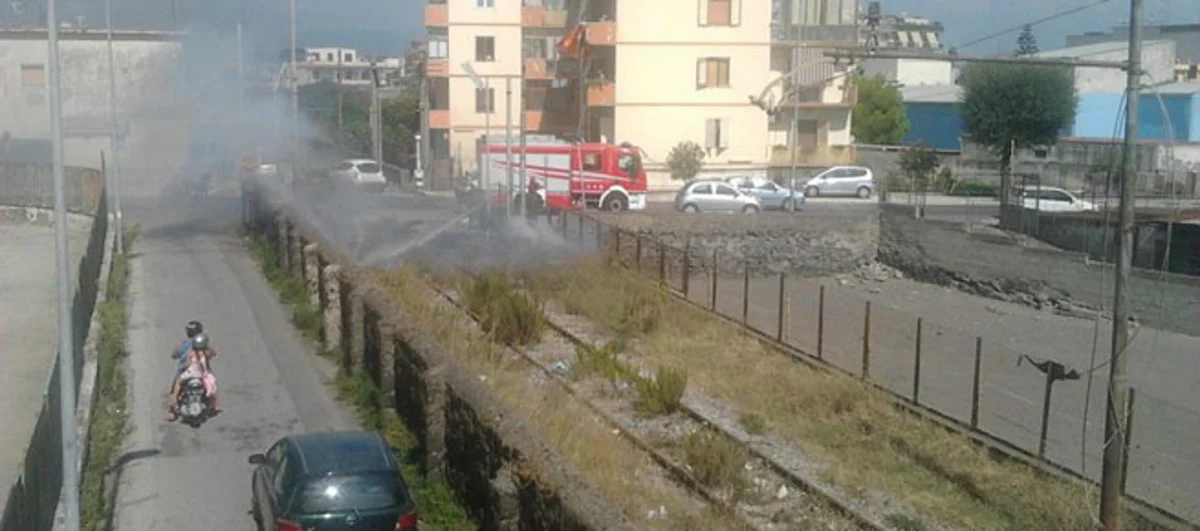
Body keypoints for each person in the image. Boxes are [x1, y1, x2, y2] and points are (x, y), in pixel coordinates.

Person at [166, 333, 220, 421]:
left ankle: (174, 401)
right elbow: (214, 354)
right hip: (202, 374)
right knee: (212, 385)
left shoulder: (191, 352)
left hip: (191, 373)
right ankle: (215, 405)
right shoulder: (206, 353)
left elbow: (186, 363)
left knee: (178, 382)